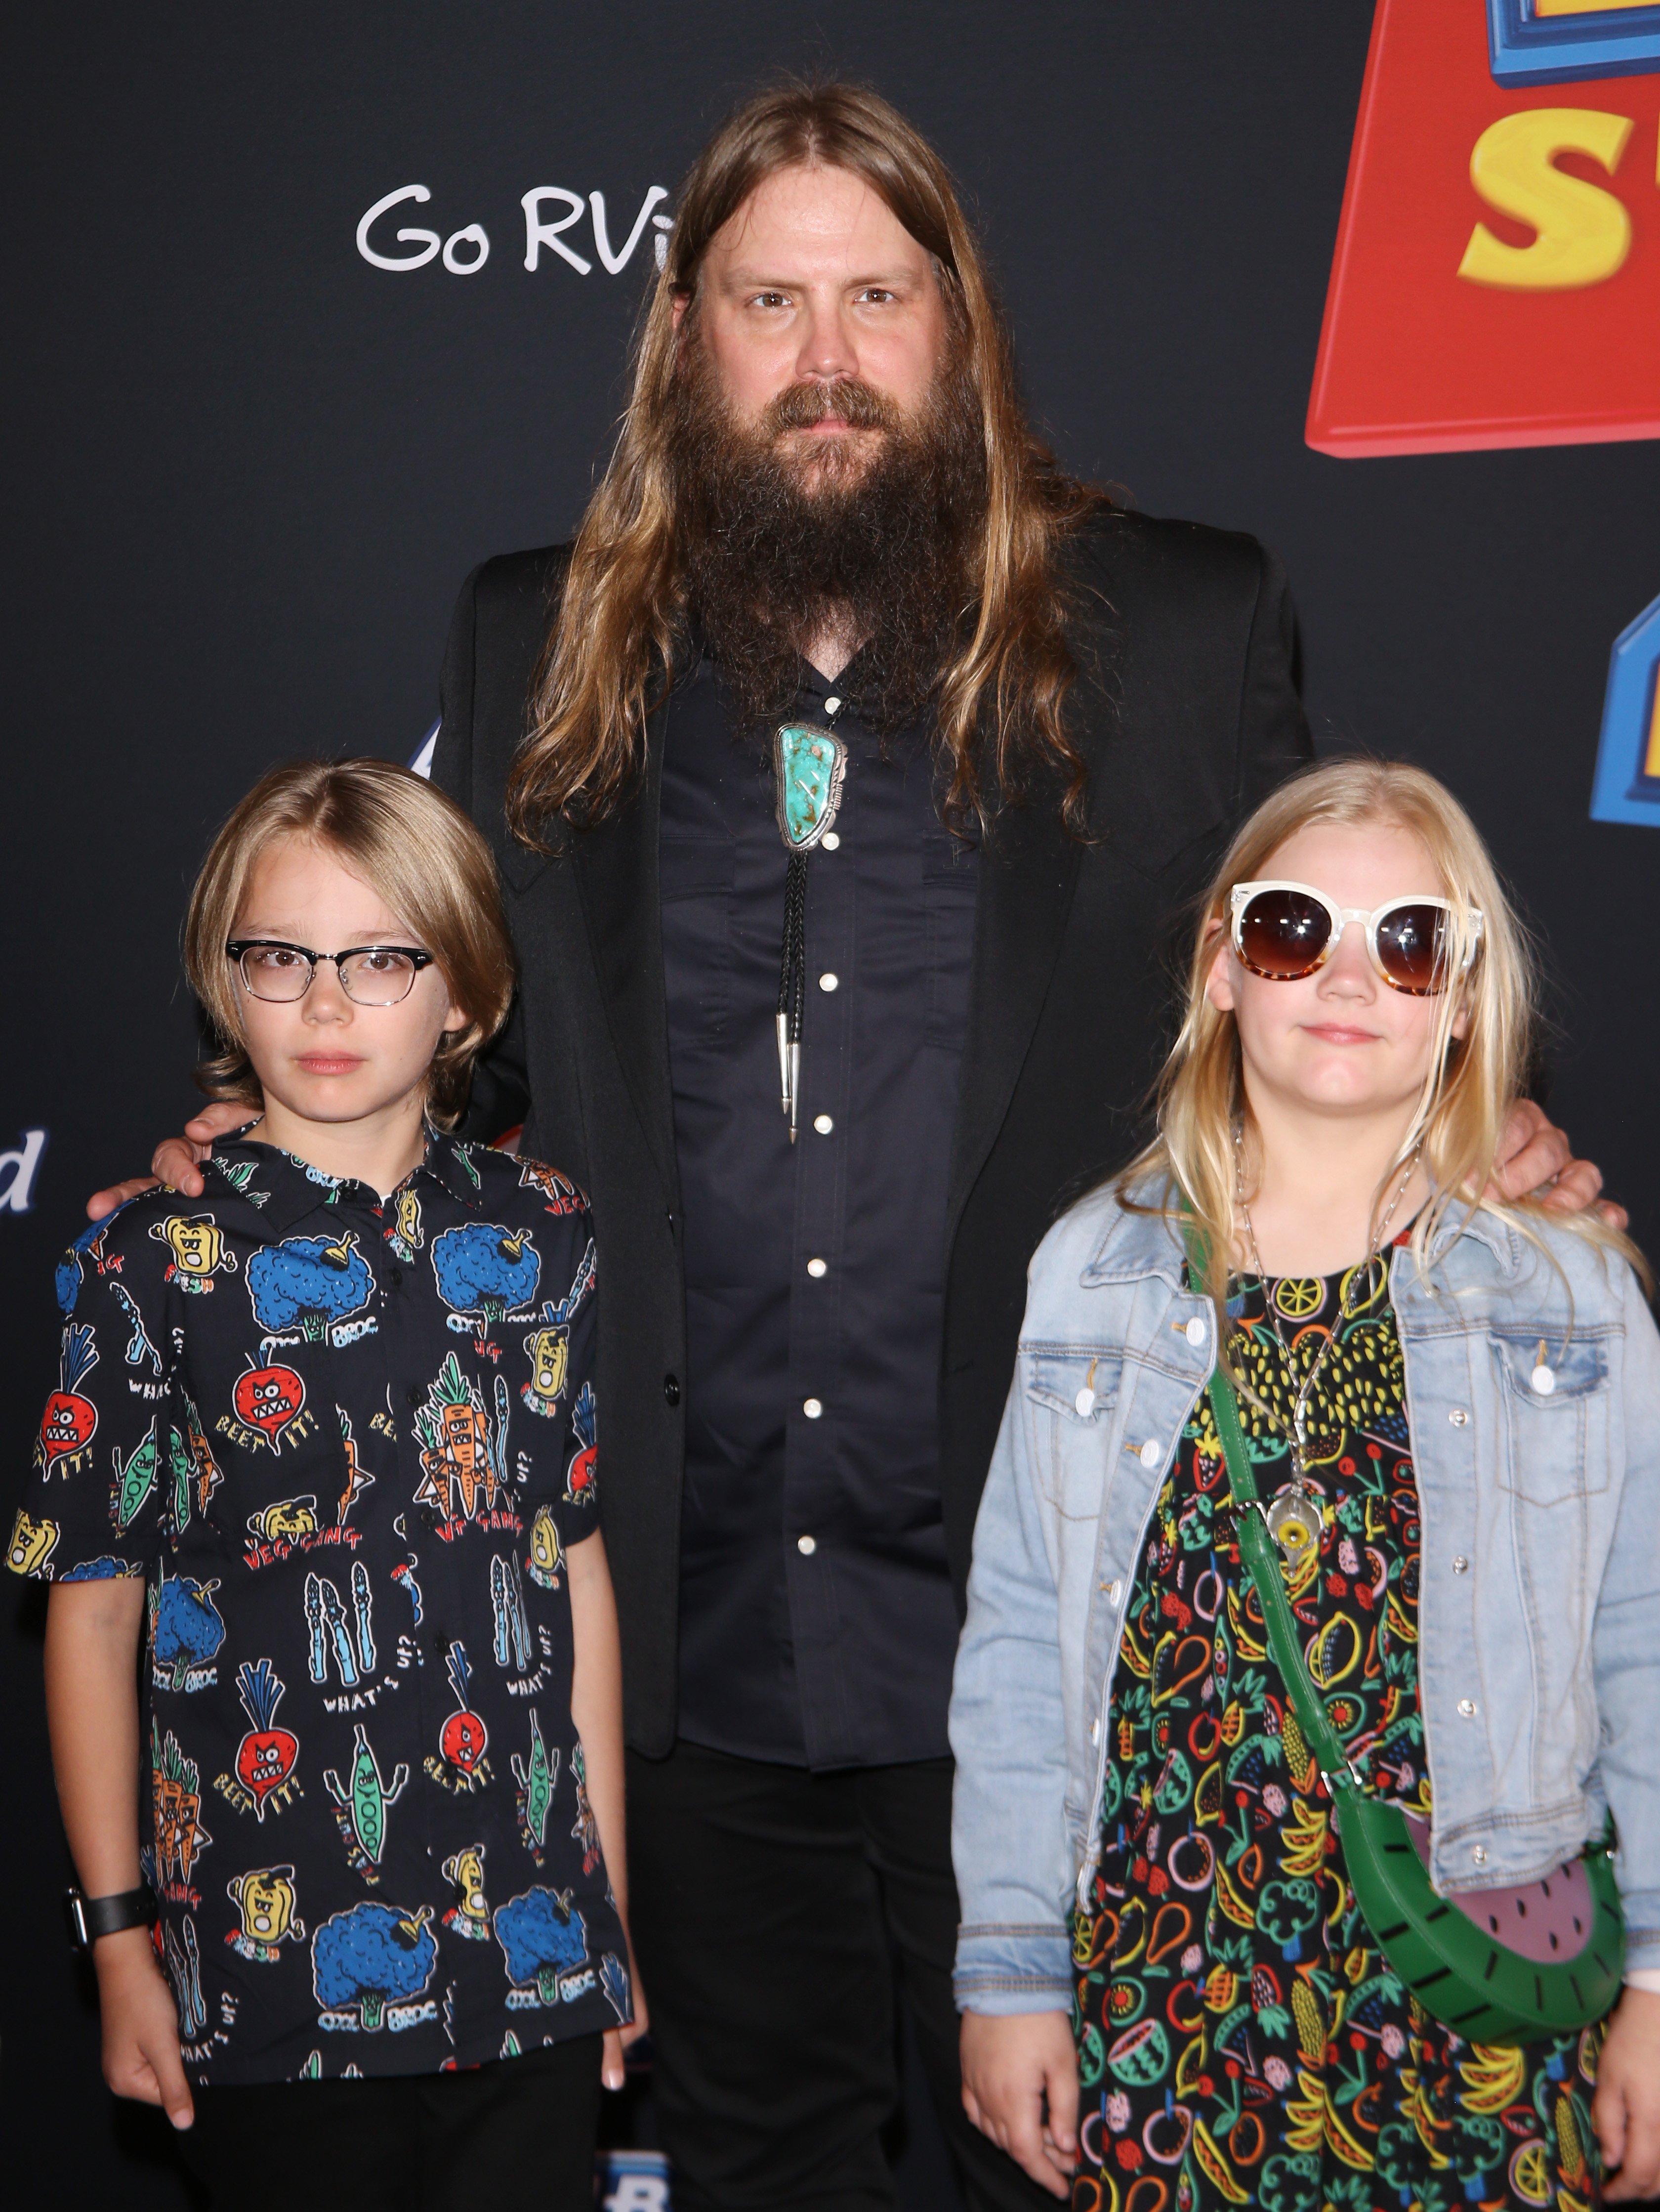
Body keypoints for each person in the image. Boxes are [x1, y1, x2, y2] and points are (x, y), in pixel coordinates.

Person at [92, 84, 1611, 2212]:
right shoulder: (531, 641)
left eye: (875, 299)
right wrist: (260, 1161)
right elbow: (476, 1052)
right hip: (685, 1659)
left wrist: (1487, 1137)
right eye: (768, 301)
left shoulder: (1177, 625)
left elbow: (1311, 994)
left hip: (1066, 1636)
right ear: (684, 341)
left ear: (954, 328)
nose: (824, 360)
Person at [949, 758, 1660, 2209]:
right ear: (1223, 968)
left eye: (1409, 940)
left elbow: (1644, 1637)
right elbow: (1021, 1640)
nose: (1348, 976)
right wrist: (1011, 1959)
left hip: (1469, 1976)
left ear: (1465, 996)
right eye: (1291, 930)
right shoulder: (1094, 1269)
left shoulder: (1568, 1294)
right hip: (1167, 1977)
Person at [29, 759, 642, 2212]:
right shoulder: (148, 1261)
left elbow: (576, 1575)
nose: (321, 1003)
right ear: (224, 980)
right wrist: (116, 1935)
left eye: (378, 959)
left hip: (531, 1958)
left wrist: (614, 1919)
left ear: (465, 996)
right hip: (262, 1965)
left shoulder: (545, 1232)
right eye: (279, 958)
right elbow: (92, 1610)